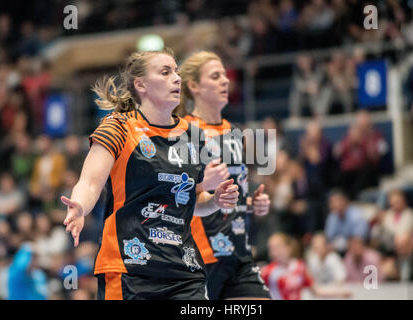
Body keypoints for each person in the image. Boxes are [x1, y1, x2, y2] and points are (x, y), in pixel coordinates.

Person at [60, 48, 239, 300]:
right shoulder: (118, 126)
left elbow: (194, 201)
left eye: (176, 71)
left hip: (184, 271)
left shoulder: (194, 136)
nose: (176, 78)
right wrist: (79, 205)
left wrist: (215, 200)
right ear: (140, 84)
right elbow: (89, 183)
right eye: (165, 72)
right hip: (129, 268)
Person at [174, 51, 271, 300]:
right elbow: (176, 196)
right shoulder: (184, 132)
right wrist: (202, 182)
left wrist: (253, 204)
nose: (225, 81)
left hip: (239, 256)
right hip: (200, 258)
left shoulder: (236, 132)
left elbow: (232, 196)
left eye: (225, 76)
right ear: (194, 85)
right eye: (215, 76)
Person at [261, 232, 350, 300]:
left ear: (288, 247)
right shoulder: (267, 272)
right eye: (271, 248)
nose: (274, 251)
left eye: (277, 247)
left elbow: (316, 291)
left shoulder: (300, 267)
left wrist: (340, 293)